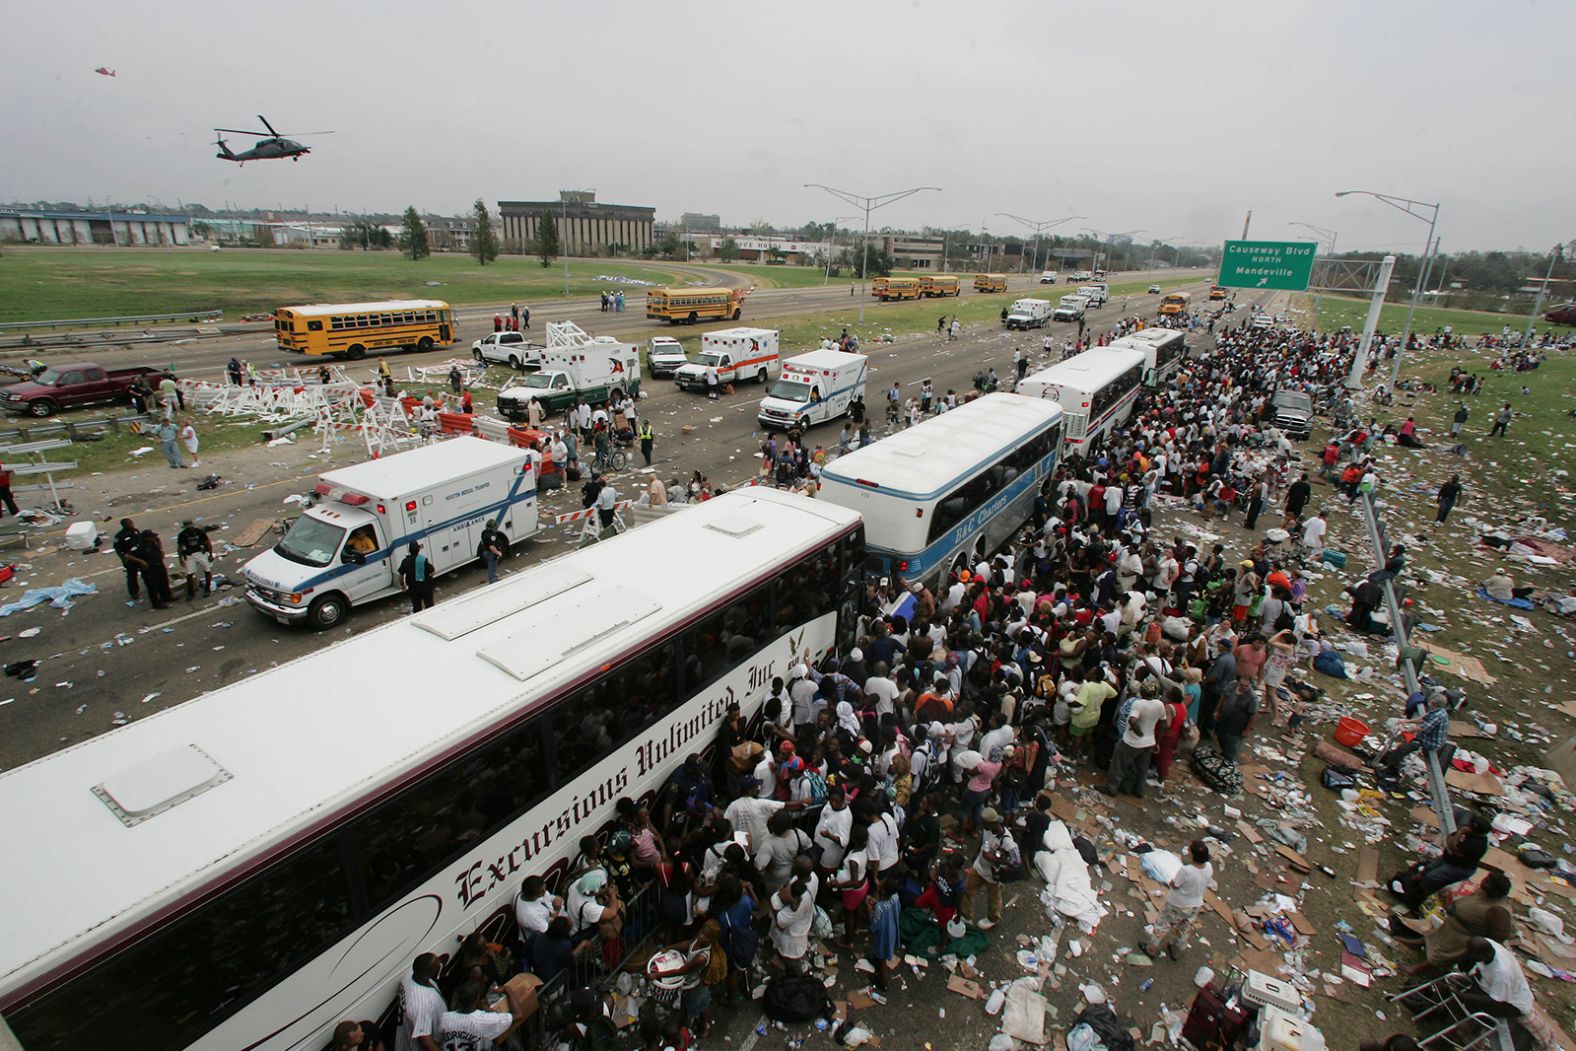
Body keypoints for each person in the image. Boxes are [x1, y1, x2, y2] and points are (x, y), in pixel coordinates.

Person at [1401, 871, 1515, 975]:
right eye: (1485, 879)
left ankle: (1421, 967)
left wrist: (1481, 946)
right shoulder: (1484, 892)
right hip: (1454, 924)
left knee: (1444, 952)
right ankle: (1419, 943)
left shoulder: (1498, 910)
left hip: (1467, 935)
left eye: (1488, 883)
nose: (1484, 882)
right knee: (1437, 934)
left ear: (1496, 891)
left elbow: (1499, 936)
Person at [1144, 840, 1213, 960]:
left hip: (1178, 904)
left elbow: (1175, 884)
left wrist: (1170, 881)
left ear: (1193, 855)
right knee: (1185, 928)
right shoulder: (1209, 867)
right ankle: (1176, 950)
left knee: (1163, 924)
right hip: (1196, 904)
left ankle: (1151, 949)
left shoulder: (1187, 871)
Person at [1374, 692, 1452, 788]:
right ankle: (1390, 760)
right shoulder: (1438, 711)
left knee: (1403, 748)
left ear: (1435, 704)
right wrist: (1407, 721)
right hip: (1426, 737)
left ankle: (1391, 769)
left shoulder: (1439, 715)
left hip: (1431, 742)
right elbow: (1424, 718)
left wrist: (1407, 730)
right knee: (1404, 747)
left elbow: (1424, 727)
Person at [960, 807, 1015, 930]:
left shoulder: (1006, 841)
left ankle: (993, 918)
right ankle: (966, 915)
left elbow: (1013, 861)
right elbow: (982, 842)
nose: (982, 825)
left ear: (993, 823)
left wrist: (993, 859)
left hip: (993, 874)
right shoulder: (987, 830)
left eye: (984, 823)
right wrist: (975, 856)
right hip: (980, 867)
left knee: (993, 898)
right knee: (967, 889)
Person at [437, 976, 526, 1051]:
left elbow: (437, 1041)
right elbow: (518, 1014)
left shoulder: (445, 1017)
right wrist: (508, 989)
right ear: (478, 999)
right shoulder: (484, 1019)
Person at [396, 952, 446, 1051]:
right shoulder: (422, 1004)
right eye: (437, 966)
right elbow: (427, 1043)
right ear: (426, 975)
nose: (440, 964)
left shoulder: (409, 976)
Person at [1213, 677, 1259, 763]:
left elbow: (1253, 714)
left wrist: (1247, 730)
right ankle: (1224, 754)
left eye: (1246, 686)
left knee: (1232, 745)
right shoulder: (1232, 685)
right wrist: (1217, 710)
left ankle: (1229, 761)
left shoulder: (1252, 697)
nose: (1244, 688)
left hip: (1237, 725)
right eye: (1242, 685)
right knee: (1221, 737)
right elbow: (1223, 697)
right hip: (1224, 718)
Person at [126, 529, 173, 609]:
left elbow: (158, 541)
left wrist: (161, 551)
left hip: (159, 566)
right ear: (146, 538)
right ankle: (156, 604)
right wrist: (141, 561)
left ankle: (166, 597)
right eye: (152, 537)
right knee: (153, 587)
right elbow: (128, 556)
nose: (154, 538)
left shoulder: (153, 542)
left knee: (163, 583)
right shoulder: (139, 546)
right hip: (150, 569)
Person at [175, 519, 214, 599]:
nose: (190, 529)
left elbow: (207, 543)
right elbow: (180, 547)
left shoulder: (199, 532)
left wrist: (210, 554)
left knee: (207, 570)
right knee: (189, 574)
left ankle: (207, 589)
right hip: (189, 555)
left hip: (200, 553)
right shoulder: (182, 535)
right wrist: (180, 558)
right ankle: (191, 592)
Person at [399, 541, 436, 613]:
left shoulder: (405, 561)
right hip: (425, 587)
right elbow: (432, 571)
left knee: (417, 608)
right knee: (430, 606)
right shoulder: (423, 559)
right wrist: (429, 579)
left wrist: (402, 585)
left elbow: (400, 575)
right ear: (418, 549)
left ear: (409, 551)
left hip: (413, 589)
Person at [113, 517, 142, 601]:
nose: (131, 525)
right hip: (130, 559)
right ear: (124, 526)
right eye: (129, 524)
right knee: (132, 576)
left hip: (140, 556)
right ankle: (134, 592)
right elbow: (117, 548)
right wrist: (123, 558)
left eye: (131, 523)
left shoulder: (135, 531)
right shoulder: (119, 536)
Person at [477, 519, 508, 584]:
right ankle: (493, 579)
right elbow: (492, 546)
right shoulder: (492, 535)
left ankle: (493, 577)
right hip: (490, 553)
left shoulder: (484, 532)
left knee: (491, 565)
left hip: (485, 551)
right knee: (492, 566)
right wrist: (498, 552)